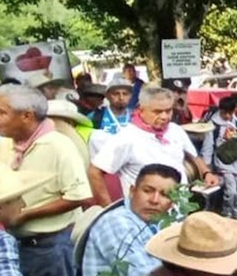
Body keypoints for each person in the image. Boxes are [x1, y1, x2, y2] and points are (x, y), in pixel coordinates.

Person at [0, 84, 92, 276]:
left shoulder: (58, 145)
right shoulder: (4, 145)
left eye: (2, 112)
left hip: (50, 245)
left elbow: (78, 196)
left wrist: (25, 215)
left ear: (27, 116)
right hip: (11, 242)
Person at [80, 164, 181, 276]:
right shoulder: (117, 223)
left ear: (172, 203)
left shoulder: (159, 221)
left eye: (165, 195)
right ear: (133, 191)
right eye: (148, 191)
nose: (155, 200)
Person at [89, 86, 219, 206]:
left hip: (178, 210)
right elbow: (95, 171)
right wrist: (107, 208)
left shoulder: (175, 130)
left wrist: (207, 173)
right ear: (142, 110)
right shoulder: (127, 137)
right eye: (157, 111)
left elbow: (194, 156)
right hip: (145, 215)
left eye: (168, 111)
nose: (164, 116)